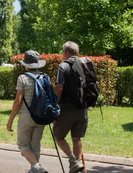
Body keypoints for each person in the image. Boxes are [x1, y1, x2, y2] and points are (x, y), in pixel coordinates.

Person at [7, 50, 48, 173]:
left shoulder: (22, 78)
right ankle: (33, 170)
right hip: (41, 116)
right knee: (35, 146)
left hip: (26, 116)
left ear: (26, 64)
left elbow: (18, 101)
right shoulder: (45, 77)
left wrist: (10, 120)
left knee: (23, 145)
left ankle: (36, 167)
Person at [53, 41, 88, 173]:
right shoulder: (85, 65)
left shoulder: (63, 66)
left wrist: (55, 105)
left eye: (63, 52)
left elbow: (60, 88)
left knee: (58, 136)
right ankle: (76, 168)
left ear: (66, 52)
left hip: (67, 109)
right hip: (83, 109)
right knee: (76, 138)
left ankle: (74, 161)